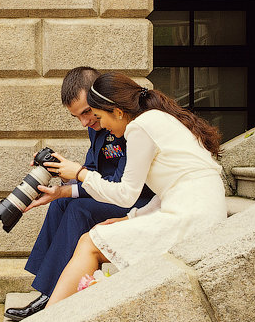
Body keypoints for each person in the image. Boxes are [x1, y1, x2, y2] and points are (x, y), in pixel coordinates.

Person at [44, 72, 227, 306]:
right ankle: (53, 317)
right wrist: (129, 218)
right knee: (94, 238)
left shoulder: (140, 127)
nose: (104, 127)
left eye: (100, 116)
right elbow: (170, 190)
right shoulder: (156, 118)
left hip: (191, 220)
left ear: (118, 112)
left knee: (90, 242)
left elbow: (125, 194)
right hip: (198, 211)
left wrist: (80, 173)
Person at [4, 67, 154, 321]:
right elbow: (93, 171)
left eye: (87, 112)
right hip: (112, 194)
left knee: (77, 209)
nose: (86, 122)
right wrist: (59, 172)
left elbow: (118, 185)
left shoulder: (126, 124)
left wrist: (75, 178)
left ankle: (52, 297)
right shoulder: (96, 125)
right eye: (78, 117)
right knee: (61, 204)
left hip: (139, 201)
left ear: (100, 98)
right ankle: (47, 290)